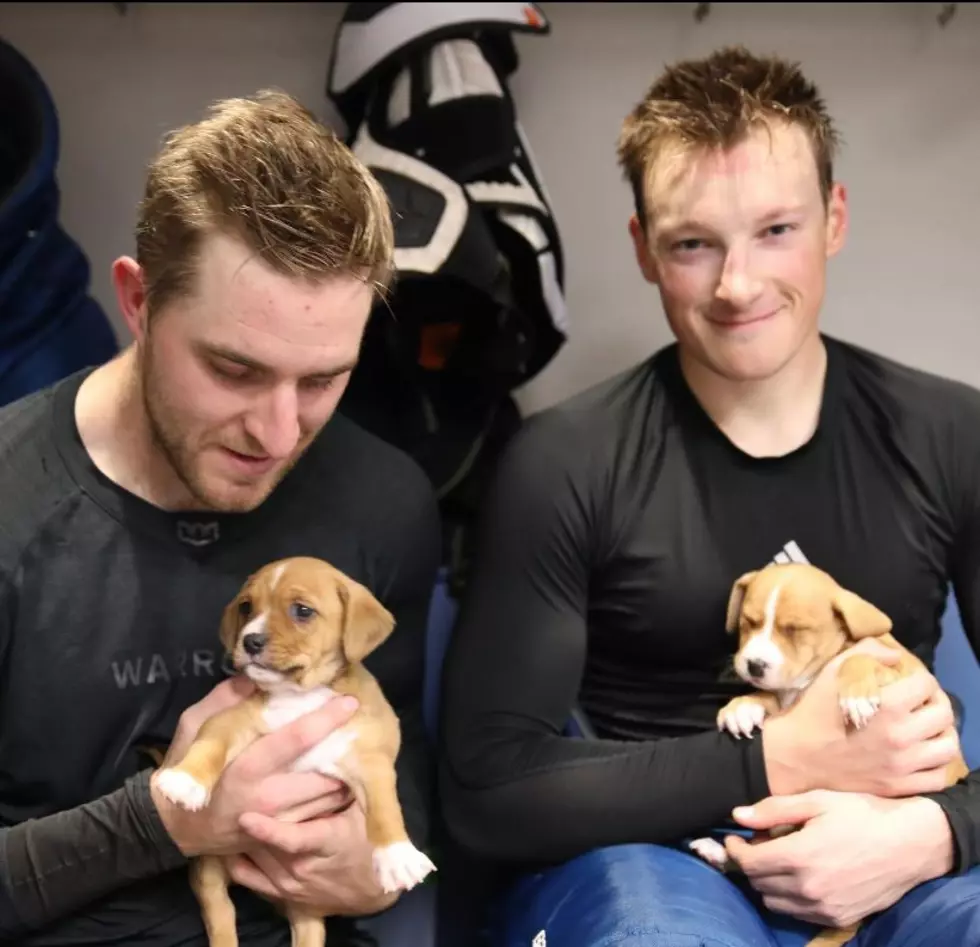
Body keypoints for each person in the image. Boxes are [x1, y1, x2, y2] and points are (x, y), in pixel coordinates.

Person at [438, 45, 980, 946]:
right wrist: (775, 756)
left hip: (894, 849)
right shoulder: (564, 459)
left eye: (777, 230)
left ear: (834, 218)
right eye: (694, 243)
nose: (737, 286)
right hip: (651, 861)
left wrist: (940, 829)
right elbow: (487, 790)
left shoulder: (952, 434)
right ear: (645, 248)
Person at [0, 90, 441, 947]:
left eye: (321, 380)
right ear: (139, 302)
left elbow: (407, 761)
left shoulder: (385, 502)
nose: (280, 434)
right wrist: (162, 823)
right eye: (234, 369)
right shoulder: (14, 504)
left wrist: (371, 866)